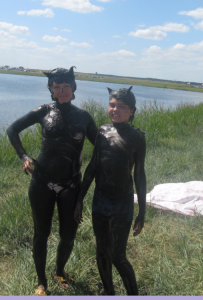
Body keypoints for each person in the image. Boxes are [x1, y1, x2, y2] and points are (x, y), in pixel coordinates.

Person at [6, 67, 97, 295]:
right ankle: (41, 281)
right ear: (51, 90)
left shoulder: (84, 118)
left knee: (68, 235)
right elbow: (12, 129)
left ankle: (59, 271)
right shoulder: (43, 111)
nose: (62, 90)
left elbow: (101, 148)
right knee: (41, 234)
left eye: (66, 86)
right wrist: (24, 156)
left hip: (71, 185)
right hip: (42, 182)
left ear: (73, 88)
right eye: (57, 87)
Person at [74, 87, 146, 295]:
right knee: (101, 251)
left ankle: (133, 294)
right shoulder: (102, 132)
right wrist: (80, 198)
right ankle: (108, 291)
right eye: (112, 105)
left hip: (122, 203)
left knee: (117, 255)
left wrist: (141, 212)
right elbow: (93, 166)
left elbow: (139, 176)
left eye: (121, 107)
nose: (115, 110)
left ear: (132, 111)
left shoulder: (137, 137)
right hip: (100, 200)